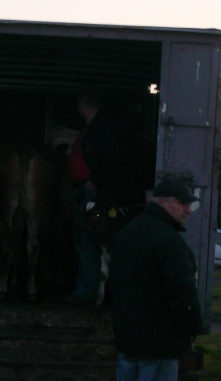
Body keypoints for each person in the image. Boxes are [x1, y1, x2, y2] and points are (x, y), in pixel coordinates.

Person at [109, 177, 205, 381]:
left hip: (128, 342)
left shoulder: (125, 235)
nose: (187, 209)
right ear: (161, 202)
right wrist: (193, 327)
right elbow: (182, 294)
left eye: (189, 204)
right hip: (160, 345)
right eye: (182, 203)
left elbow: (114, 288)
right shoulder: (170, 242)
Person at [66, 87, 141, 306]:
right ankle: (91, 292)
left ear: (83, 105)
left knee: (88, 240)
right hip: (89, 191)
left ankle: (87, 294)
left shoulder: (103, 128)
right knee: (86, 241)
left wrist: (95, 180)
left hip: (96, 193)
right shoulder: (96, 127)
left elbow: (113, 160)